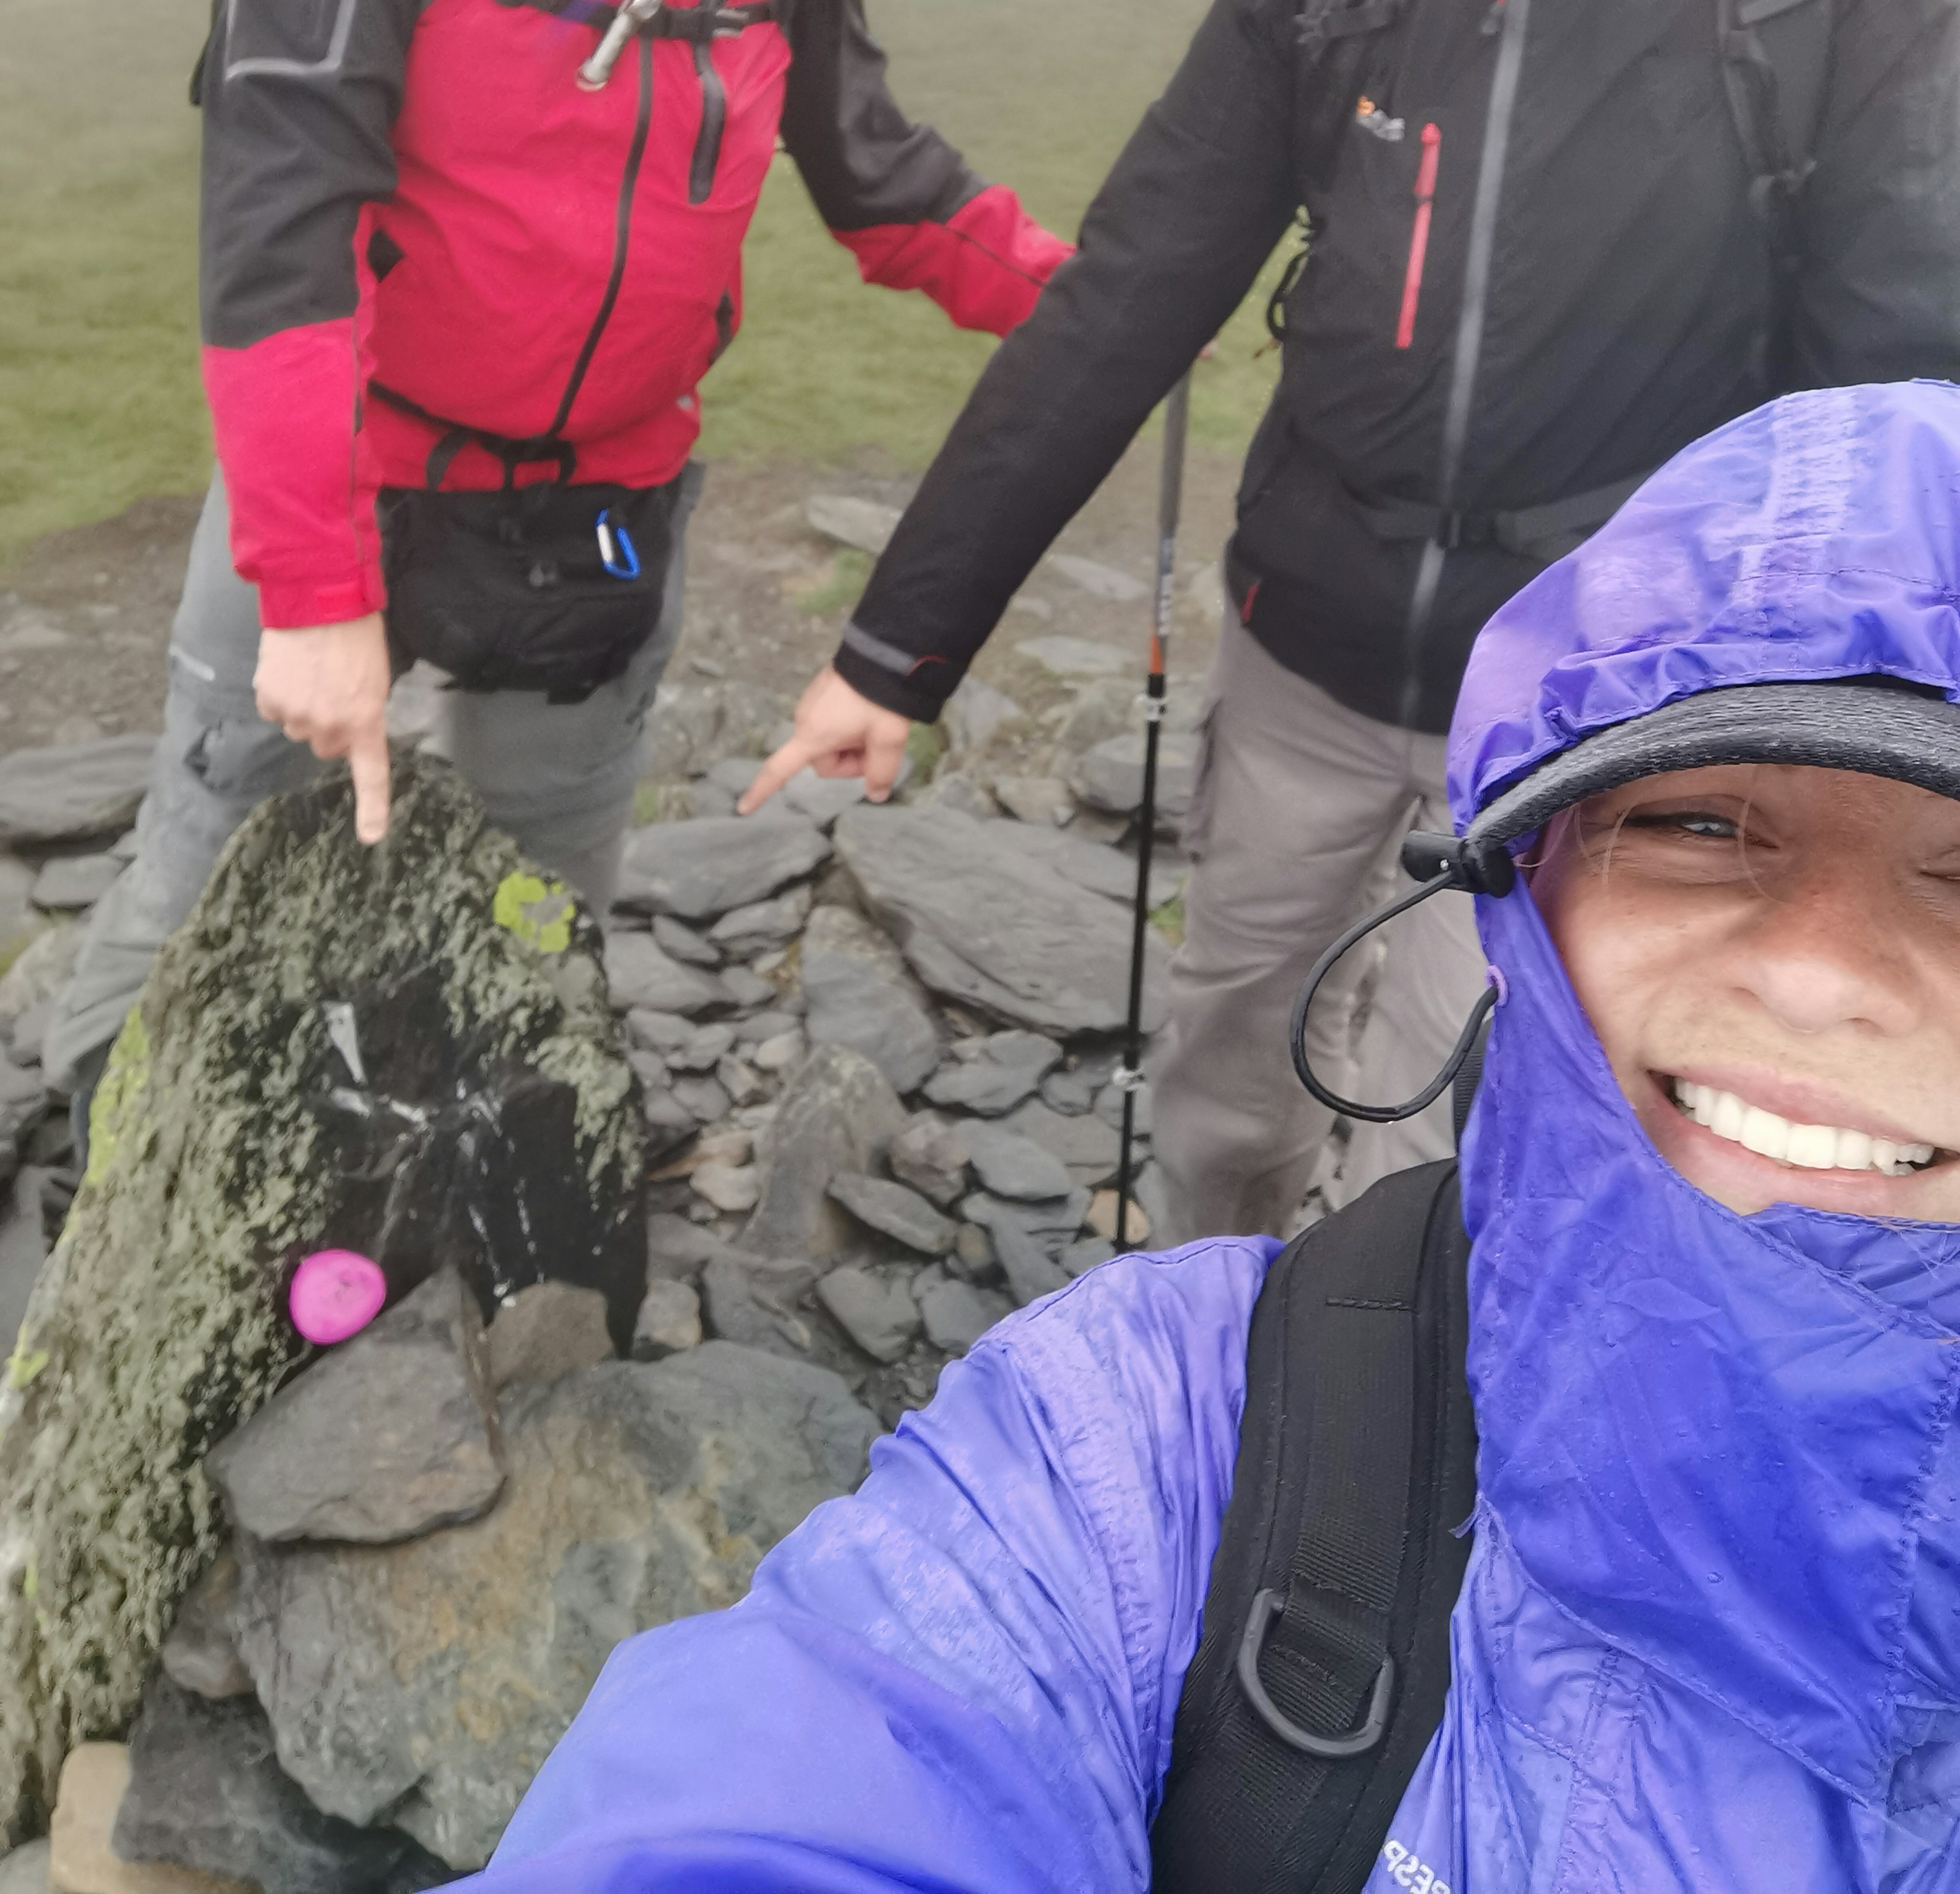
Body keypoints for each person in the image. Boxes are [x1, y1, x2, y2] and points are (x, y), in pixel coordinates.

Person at [469, 376, 1960, 1890]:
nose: (1818, 969)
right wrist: (892, 649)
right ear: (1540, 875)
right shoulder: (1139, 1448)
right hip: (1315, 644)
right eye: (1701, 822)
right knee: (1241, 1044)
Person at [745, 0, 1960, 1243]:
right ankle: (1220, 1377)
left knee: (1434, 1160)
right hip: (1303, 678)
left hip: (1586, 720)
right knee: (1229, 1091)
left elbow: (1903, 393)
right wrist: (895, 655)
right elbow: (1125, 303)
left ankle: (1374, 1472)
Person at [41, 0, 1067, 1140]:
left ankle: (496, 1223)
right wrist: (309, 590)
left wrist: (1104, 301)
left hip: (598, 512)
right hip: (342, 484)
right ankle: (95, 1215)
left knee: (536, 911)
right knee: (199, 874)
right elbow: (283, 205)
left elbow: (883, 183)